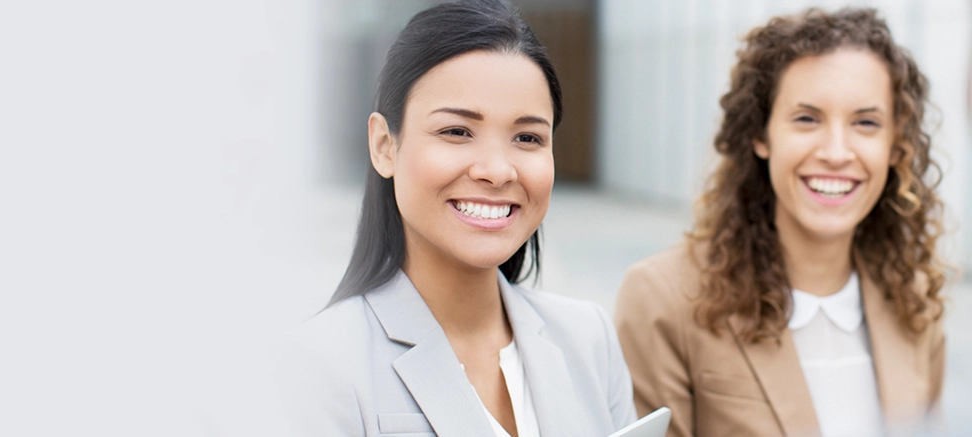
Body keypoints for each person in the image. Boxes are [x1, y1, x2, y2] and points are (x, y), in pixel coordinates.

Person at [279, 1, 636, 435]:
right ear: (384, 146)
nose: (497, 170)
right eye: (457, 132)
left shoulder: (588, 338)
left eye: (528, 137)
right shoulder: (320, 366)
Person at [614, 8, 947, 437]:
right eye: (807, 118)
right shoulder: (661, 299)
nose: (836, 151)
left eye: (866, 122)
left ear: (895, 147)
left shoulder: (915, 304)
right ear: (761, 134)